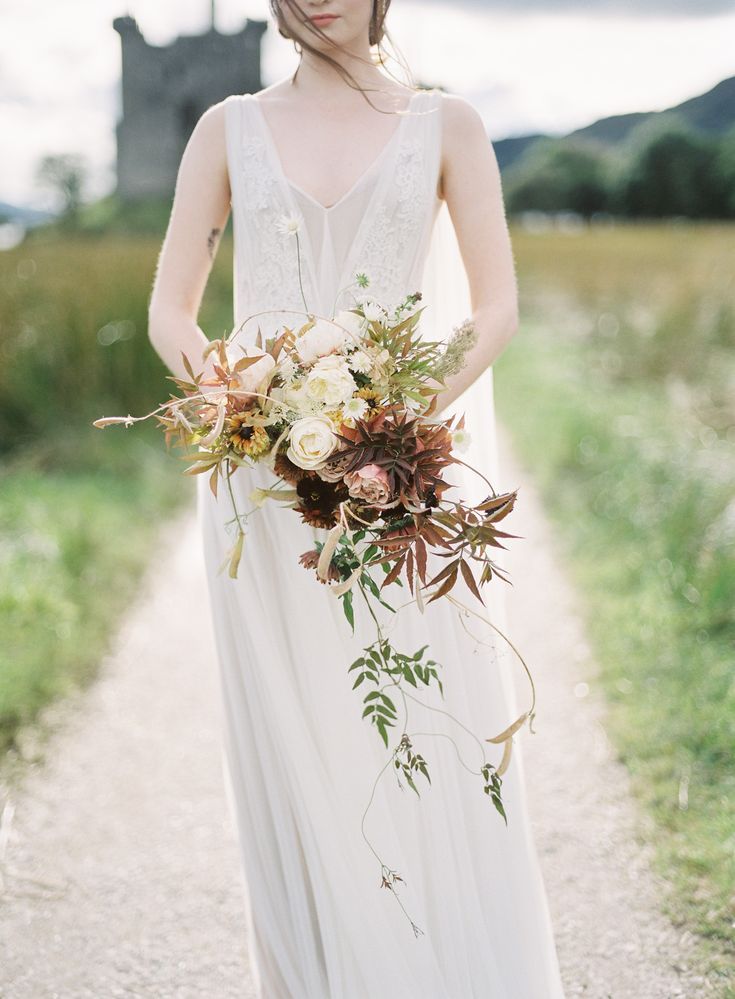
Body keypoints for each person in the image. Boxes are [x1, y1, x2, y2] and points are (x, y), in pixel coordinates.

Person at [148, 1, 566, 995]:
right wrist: (240, 396)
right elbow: (170, 308)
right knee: (295, 741)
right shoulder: (227, 129)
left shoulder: (447, 125)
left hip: (396, 475)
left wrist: (386, 423)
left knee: (416, 718)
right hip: (261, 485)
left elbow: (496, 305)